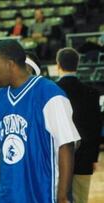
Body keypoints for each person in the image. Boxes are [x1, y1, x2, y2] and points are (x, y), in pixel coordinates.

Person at [0, 39, 80, 203]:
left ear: (10, 64)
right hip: (5, 196)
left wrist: (62, 196)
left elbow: (67, 145)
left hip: (40, 193)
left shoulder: (50, 94)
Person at [56, 47, 102, 203]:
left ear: (58, 65)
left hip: (55, 161)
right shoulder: (92, 93)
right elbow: (96, 128)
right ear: (78, 64)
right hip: (83, 159)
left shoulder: (49, 92)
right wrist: (93, 158)